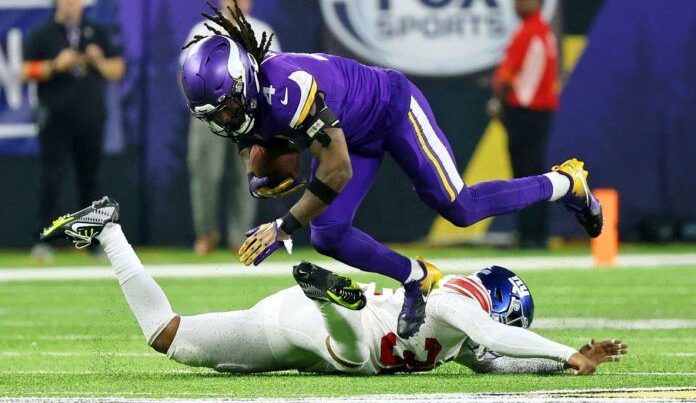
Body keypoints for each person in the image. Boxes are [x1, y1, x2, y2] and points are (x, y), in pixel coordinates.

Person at [179, 2, 603, 339]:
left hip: (392, 108)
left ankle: (567, 182)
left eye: (229, 107)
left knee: (459, 206)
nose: (226, 121)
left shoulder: (287, 89)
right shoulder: (242, 107)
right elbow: (256, 147)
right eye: (215, 116)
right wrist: (264, 175)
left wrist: (283, 227)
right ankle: (416, 278)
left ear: (245, 82)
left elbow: (337, 169)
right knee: (329, 235)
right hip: (352, 133)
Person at [40, 197, 627, 376]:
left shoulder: (459, 328)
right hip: (335, 331)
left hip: (286, 321)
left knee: (165, 336)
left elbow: (496, 363)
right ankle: (333, 299)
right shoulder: (458, 299)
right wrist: (567, 351)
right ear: (500, 298)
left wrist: (562, 366)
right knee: (356, 356)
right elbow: (489, 331)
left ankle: (111, 228)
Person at [22, 0, 125, 261]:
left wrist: (98, 61)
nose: (71, 0)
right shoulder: (43, 34)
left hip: (90, 118)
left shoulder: (96, 32)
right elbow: (24, 71)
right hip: (55, 118)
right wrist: (55, 65)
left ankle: (92, 244)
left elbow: (118, 70)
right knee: (52, 178)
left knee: (90, 181)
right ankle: (43, 242)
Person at [180, 0, 281, 255]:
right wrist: (197, 110)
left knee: (248, 176)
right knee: (205, 174)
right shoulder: (203, 30)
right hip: (210, 116)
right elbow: (186, 74)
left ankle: (240, 236)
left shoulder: (261, 31)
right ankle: (206, 233)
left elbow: (275, 75)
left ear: (249, 0)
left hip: (249, 116)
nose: (235, 1)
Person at [489, 0, 560, 248]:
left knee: (524, 174)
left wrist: (498, 101)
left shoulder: (528, 32)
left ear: (535, 1)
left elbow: (508, 75)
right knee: (535, 172)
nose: (517, 4)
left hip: (524, 111)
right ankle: (536, 234)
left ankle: (529, 235)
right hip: (540, 112)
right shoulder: (545, 32)